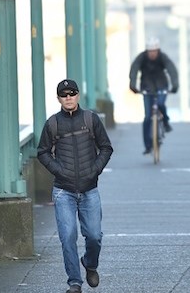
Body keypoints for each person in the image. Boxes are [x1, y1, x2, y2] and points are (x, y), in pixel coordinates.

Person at [37, 79, 114, 293]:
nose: (68, 97)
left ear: (78, 95)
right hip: (63, 190)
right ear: (59, 98)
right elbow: (42, 152)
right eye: (64, 94)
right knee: (68, 236)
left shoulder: (91, 119)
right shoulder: (53, 123)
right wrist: (59, 171)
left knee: (95, 236)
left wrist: (95, 170)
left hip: (89, 189)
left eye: (72, 93)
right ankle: (74, 282)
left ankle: (90, 263)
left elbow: (106, 147)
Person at [129, 36, 179, 154]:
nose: (152, 54)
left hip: (162, 86)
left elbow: (171, 70)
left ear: (158, 50)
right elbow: (134, 70)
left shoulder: (163, 57)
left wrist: (175, 85)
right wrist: (133, 85)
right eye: (150, 51)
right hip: (147, 88)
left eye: (154, 51)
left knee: (161, 103)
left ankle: (165, 121)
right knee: (147, 117)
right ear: (147, 51)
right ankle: (148, 145)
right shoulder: (141, 58)